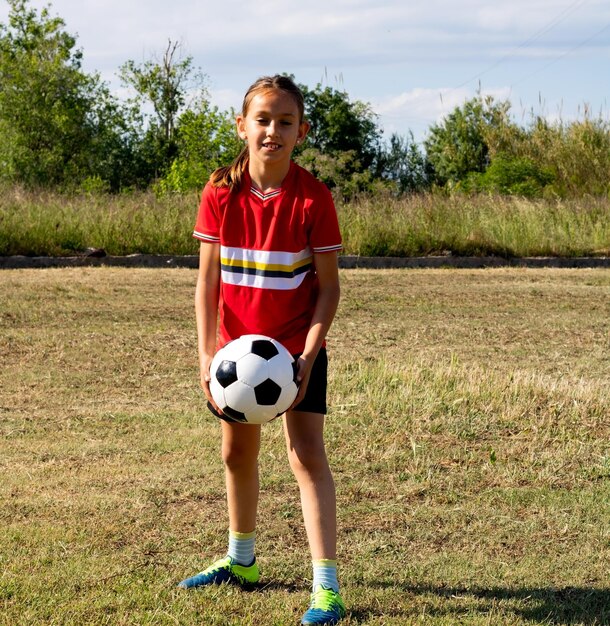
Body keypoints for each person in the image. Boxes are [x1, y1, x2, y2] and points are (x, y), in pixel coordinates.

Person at [178, 75, 345, 626]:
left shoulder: (313, 197)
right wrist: (208, 353)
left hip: (295, 352)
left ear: (301, 131)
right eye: (263, 120)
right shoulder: (219, 192)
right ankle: (241, 561)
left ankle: (326, 589)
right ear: (242, 125)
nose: (273, 131)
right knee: (235, 454)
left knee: (305, 456)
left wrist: (307, 357)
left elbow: (328, 288)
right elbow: (207, 283)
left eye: (285, 122)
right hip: (234, 356)